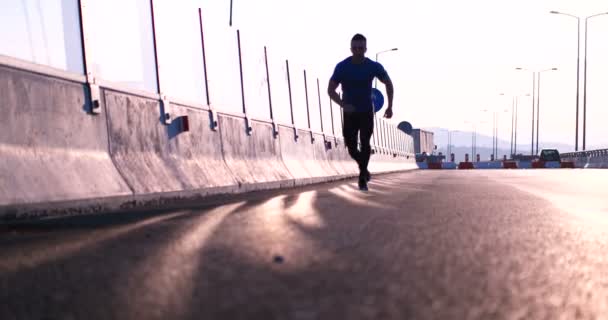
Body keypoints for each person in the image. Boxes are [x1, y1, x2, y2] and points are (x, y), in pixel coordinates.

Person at [327, 33, 394, 191]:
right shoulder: (342, 67)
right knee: (351, 147)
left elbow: (389, 83)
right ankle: (364, 169)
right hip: (350, 112)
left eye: (361, 48)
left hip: (366, 111)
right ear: (351, 49)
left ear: (365, 49)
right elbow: (330, 90)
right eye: (355, 48)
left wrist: (390, 106)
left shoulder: (373, 66)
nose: (358, 51)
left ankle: (362, 176)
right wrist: (343, 104)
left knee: (365, 143)